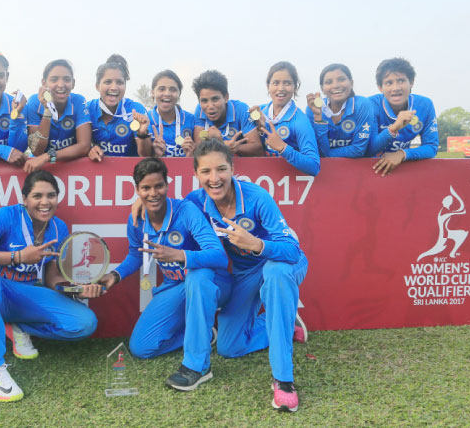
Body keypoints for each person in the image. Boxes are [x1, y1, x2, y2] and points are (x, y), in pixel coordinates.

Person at [186, 139, 308, 412]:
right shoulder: (195, 202)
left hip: (281, 262)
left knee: (276, 274)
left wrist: (258, 244)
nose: (214, 178)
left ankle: (284, 382)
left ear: (232, 169)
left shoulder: (256, 196)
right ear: (196, 174)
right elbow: (169, 214)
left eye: (221, 169)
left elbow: (291, 249)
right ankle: (285, 325)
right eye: (206, 172)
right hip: (246, 272)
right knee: (229, 346)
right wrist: (141, 203)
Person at [0, 170, 99, 402]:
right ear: (24, 199)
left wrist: (75, 288)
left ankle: (19, 327)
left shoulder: (59, 228)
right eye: (37, 196)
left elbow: (52, 279)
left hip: (28, 296)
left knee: (85, 323)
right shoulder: (6, 216)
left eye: (51, 195)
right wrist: (16, 257)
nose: (45, 202)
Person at [99, 158, 229, 391]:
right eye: (146, 188)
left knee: (197, 278)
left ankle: (197, 365)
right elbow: (136, 254)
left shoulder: (186, 210)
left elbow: (218, 255)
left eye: (158, 186)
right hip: (175, 286)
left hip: (211, 283)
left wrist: (181, 255)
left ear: (167, 184)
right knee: (141, 347)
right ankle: (201, 333)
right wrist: (115, 275)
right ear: (137, 189)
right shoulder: (136, 219)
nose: (153, 193)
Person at [367, 57, 438, 176]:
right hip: (372, 169)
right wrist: (393, 128)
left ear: (411, 82)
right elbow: (370, 149)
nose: (396, 88)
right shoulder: (370, 105)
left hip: (402, 170)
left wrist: (402, 154)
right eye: (389, 83)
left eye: (401, 81)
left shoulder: (425, 105)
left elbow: (431, 147)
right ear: (380, 87)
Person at [251, 61, 320, 176]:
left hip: (290, 186)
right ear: (268, 86)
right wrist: (260, 128)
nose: (281, 88)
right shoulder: (258, 113)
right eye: (276, 83)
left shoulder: (300, 121)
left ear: (295, 87)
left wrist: (283, 148)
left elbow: (314, 166)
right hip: (261, 181)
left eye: (287, 83)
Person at [23, 59, 92, 172]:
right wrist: (47, 110)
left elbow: (84, 146)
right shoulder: (34, 102)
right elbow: (37, 151)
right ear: (44, 83)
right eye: (54, 79)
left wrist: (48, 156)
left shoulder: (78, 101)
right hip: (41, 169)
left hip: (72, 167)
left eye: (66, 79)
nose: (61, 85)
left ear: (73, 83)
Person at [87, 54, 151, 161]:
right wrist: (89, 149)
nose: (114, 87)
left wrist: (142, 134)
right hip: (96, 176)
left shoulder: (135, 110)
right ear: (97, 86)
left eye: (120, 82)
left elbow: (146, 155)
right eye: (108, 82)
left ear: (125, 86)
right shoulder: (87, 109)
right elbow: (79, 145)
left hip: (129, 175)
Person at [305, 63, 376, 158]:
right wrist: (318, 118)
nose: (336, 85)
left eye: (341, 80)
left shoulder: (362, 104)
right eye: (329, 82)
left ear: (351, 83)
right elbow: (316, 150)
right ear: (322, 89)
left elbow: (359, 150)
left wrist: (326, 155)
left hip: (357, 169)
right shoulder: (312, 109)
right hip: (324, 170)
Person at [192, 70, 262, 157]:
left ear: (226, 97)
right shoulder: (200, 110)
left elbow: (258, 149)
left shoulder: (241, 109)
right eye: (204, 101)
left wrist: (229, 146)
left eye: (215, 99)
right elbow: (199, 150)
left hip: (241, 168)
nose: (210, 106)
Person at [146, 70, 196, 157]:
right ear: (153, 93)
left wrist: (191, 156)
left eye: (173, 90)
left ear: (179, 93)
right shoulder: (146, 121)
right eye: (161, 89)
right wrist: (155, 155)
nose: (167, 94)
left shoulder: (191, 120)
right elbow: (142, 156)